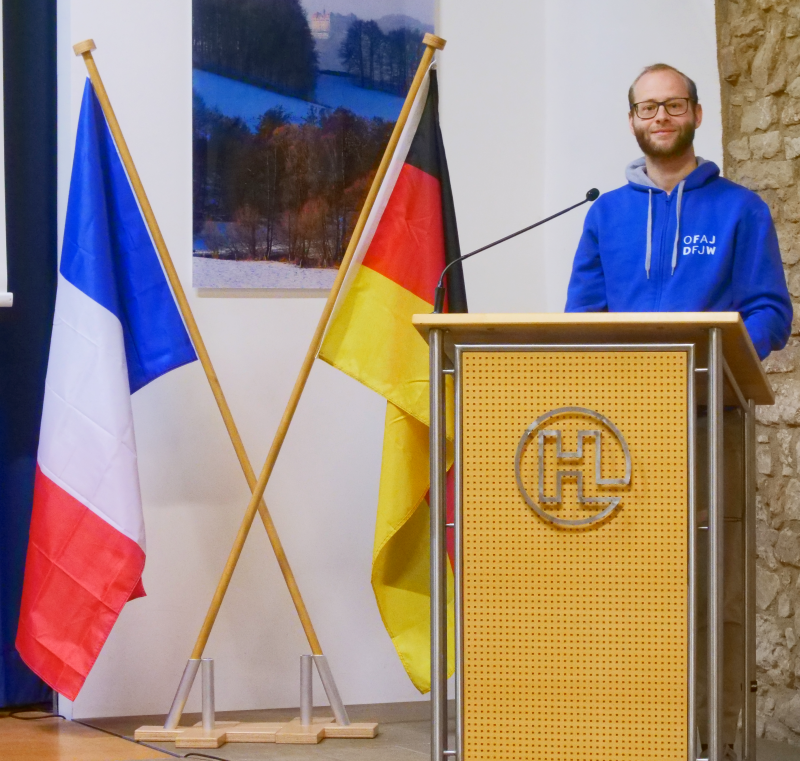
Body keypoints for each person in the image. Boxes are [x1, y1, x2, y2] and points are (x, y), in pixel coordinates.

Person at [565, 63, 793, 759]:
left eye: (672, 105)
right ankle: (634, 735)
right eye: (647, 108)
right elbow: (582, 316)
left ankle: (713, 743)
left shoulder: (740, 210)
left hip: (710, 421)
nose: (659, 117)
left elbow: (771, 311)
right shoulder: (605, 214)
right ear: (632, 120)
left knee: (714, 592)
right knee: (628, 587)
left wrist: (728, 351)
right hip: (620, 429)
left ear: (695, 113)